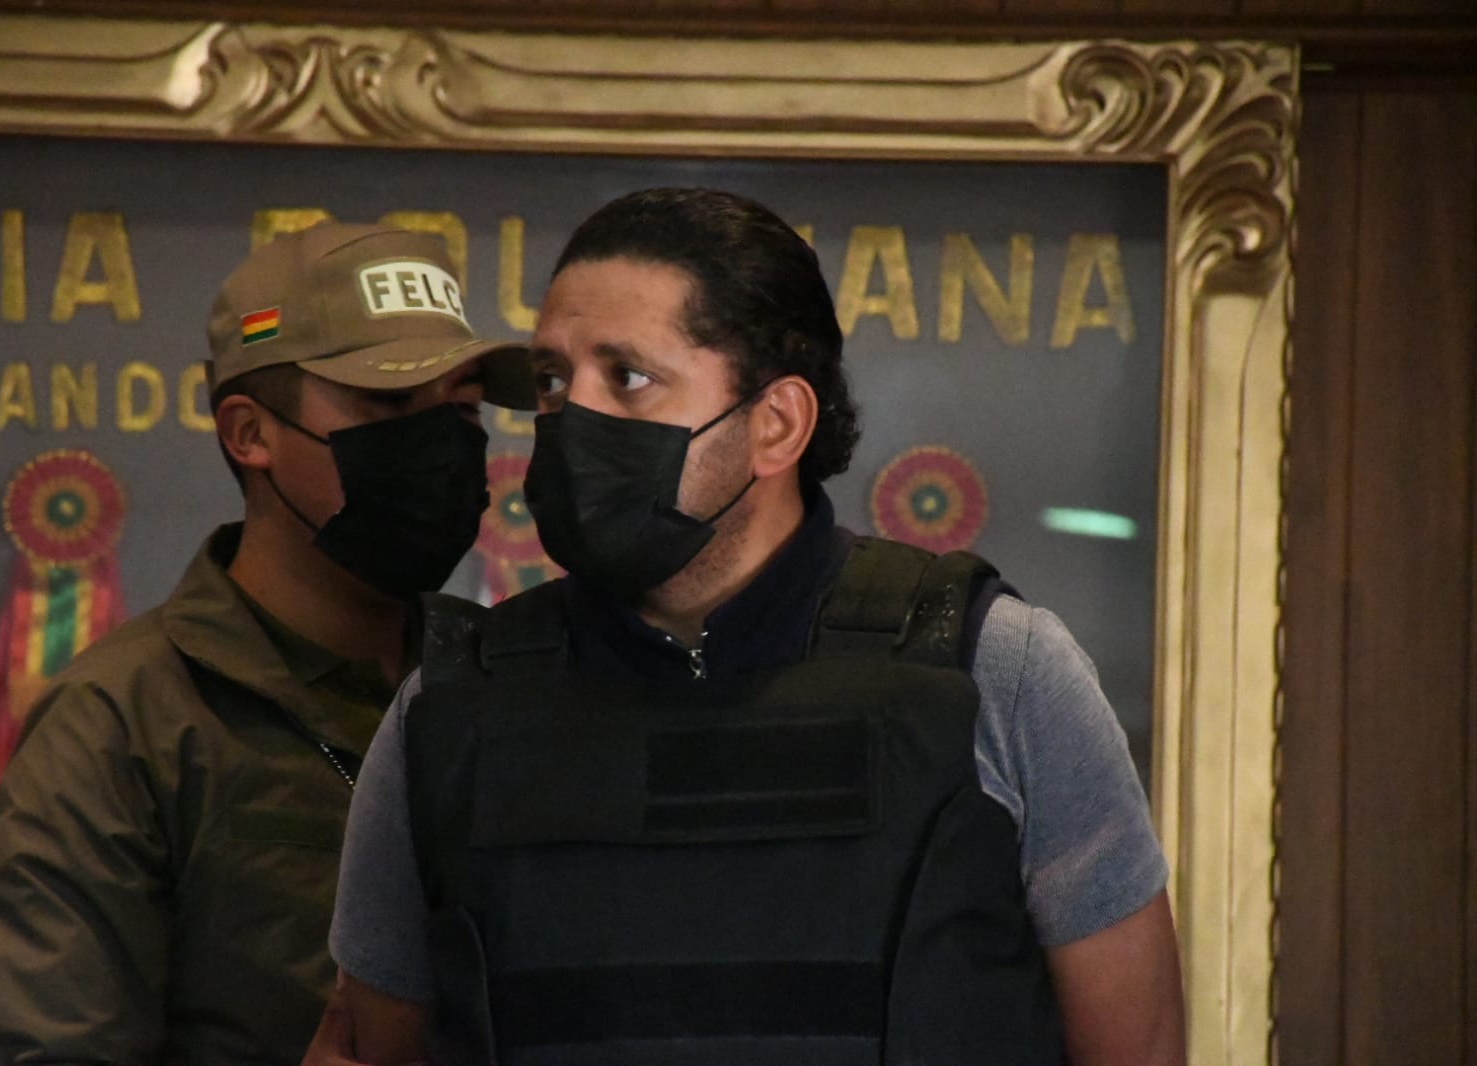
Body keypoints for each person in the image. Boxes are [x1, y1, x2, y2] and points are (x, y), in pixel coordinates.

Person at [321, 189, 1187, 1066]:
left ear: (776, 424)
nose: (571, 419)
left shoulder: (997, 671)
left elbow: (1139, 1049)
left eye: (627, 378)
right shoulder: (447, 709)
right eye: (551, 381)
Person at [0, 222, 534, 1066]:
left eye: (462, 407)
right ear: (249, 432)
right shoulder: (126, 722)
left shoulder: (507, 678)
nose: (443, 444)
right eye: (390, 405)